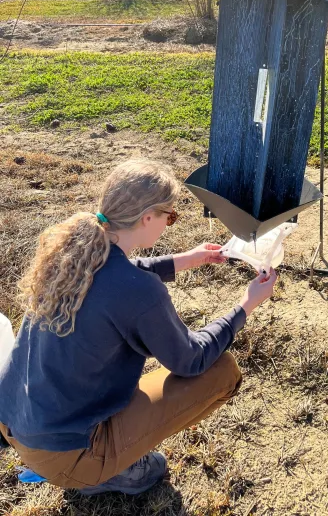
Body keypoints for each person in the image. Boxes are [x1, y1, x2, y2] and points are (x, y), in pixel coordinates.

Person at [0, 158, 277, 496]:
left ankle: (78, 461)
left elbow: (124, 273)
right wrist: (247, 304)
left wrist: (189, 258)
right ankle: (104, 473)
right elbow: (191, 360)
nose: (169, 223)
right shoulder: (139, 291)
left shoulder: (75, 249)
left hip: (17, 422)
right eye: (169, 216)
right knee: (222, 371)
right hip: (66, 454)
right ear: (148, 217)